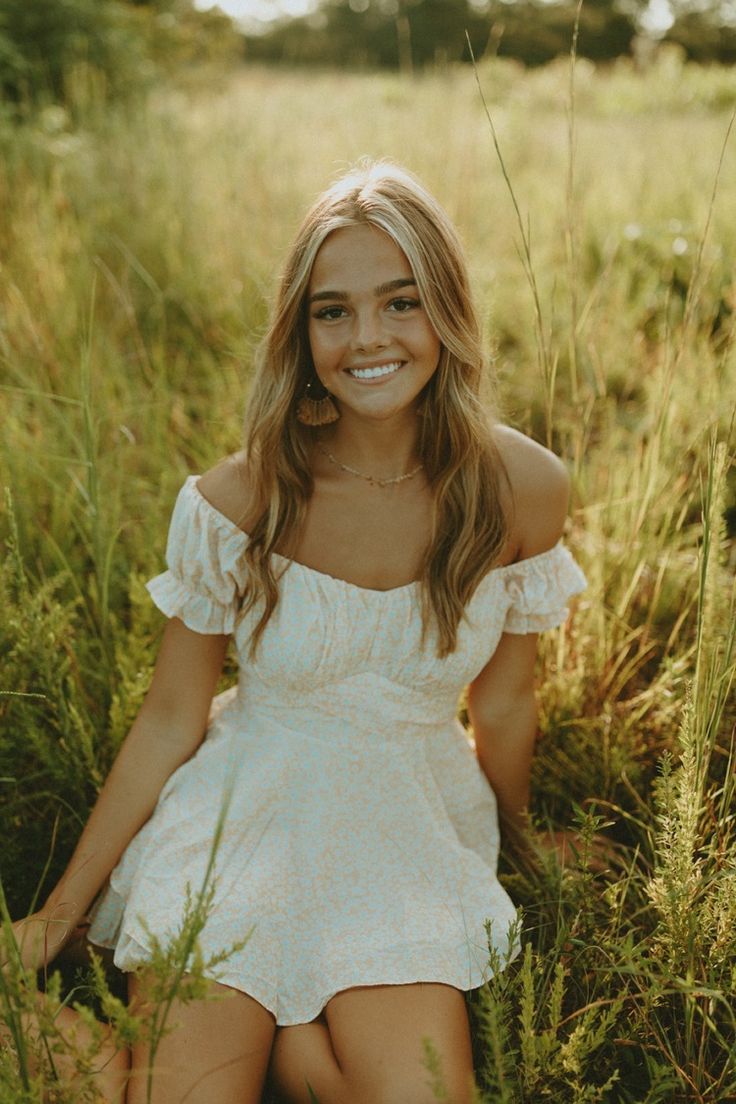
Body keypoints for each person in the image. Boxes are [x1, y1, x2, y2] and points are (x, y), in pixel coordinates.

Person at [9, 160, 586, 1104]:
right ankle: (161, 1027)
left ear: (447, 307)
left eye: (401, 302)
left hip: (402, 831)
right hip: (242, 817)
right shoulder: (239, 498)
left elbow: (507, 701)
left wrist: (519, 845)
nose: (368, 339)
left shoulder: (523, 488)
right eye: (333, 311)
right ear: (301, 329)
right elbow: (169, 719)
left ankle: (299, 1049)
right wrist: (61, 913)